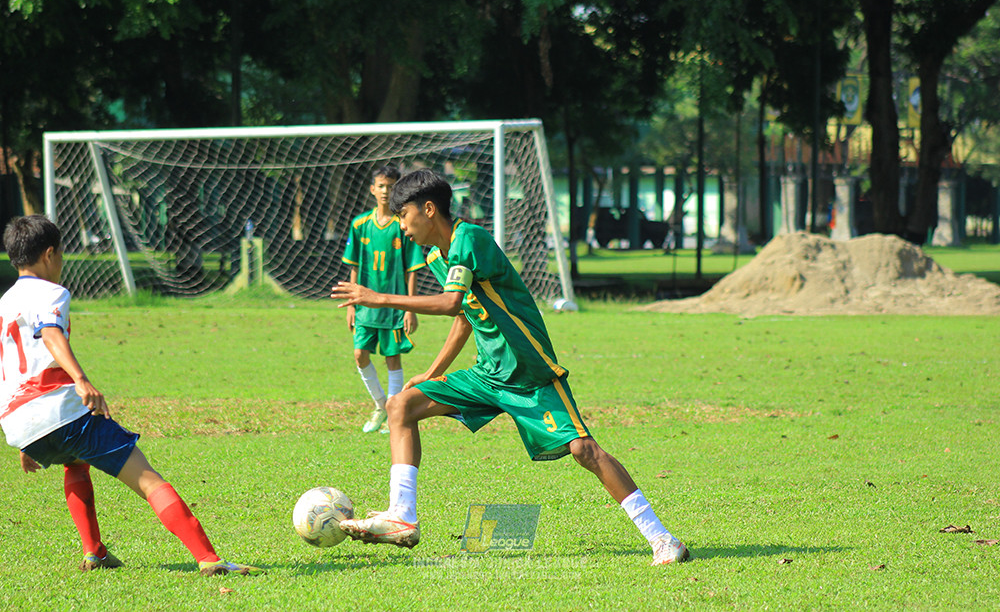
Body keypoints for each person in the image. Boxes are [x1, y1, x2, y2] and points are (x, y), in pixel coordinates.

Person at [330, 170, 690, 566]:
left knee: (583, 450)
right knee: (401, 406)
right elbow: (465, 315)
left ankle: (662, 539)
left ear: (428, 209)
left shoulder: (470, 239)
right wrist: (434, 372)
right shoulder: (436, 254)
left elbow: (450, 303)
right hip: (488, 373)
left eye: (404, 215)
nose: (401, 225)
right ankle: (402, 517)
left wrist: (376, 298)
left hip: (529, 371)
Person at [0, 215, 260, 576]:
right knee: (149, 479)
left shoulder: (6, 301)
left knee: (75, 462)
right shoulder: (51, 292)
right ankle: (209, 559)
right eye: (61, 255)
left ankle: (95, 553)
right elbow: (51, 334)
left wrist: (26, 436)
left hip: (19, 423)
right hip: (59, 411)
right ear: (49, 255)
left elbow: (13, 367)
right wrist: (80, 378)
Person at [342, 165, 427, 434]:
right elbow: (354, 265)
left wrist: (409, 308)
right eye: (381, 186)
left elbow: (411, 269)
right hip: (365, 304)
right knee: (359, 354)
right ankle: (382, 405)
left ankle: (392, 414)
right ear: (372, 189)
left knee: (392, 359)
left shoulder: (402, 225)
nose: (385, 191)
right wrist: (352, 303)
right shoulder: (360, 224)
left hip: (393, 305)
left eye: (390, 186)